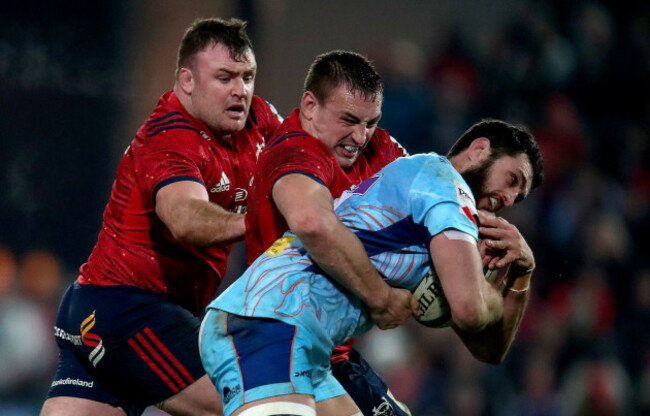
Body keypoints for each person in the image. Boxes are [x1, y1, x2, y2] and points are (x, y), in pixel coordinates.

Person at [199, 119, 544, 416]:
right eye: (513, 179)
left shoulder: (444, 214)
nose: (511, 199)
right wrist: (489, 292)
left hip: (306, 347)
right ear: (480, 149)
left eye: (521, 196)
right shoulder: (445, 188)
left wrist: (521, 274)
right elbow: (470, 311)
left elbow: (488, 349)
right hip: (270, 321)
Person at [41, 17, 281, 416]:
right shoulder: (168, 135)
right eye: (224, 77)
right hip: (129, 311)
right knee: (253, 404)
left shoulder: (259, 121)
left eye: (248, 76)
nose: (241, 90)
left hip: (99, 310)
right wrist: (260, 222)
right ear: (187, 81)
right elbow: (185, 219)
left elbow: (307, 162)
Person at [244, 50, 416, 415]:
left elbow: (429, 198)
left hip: (329, 355)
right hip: (277, 346)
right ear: (309, 106)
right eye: (349, 120)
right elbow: (311, 223)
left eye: (370, 122)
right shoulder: (293, 152)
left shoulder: (376, 147)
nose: (360, 136)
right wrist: (382, 297)